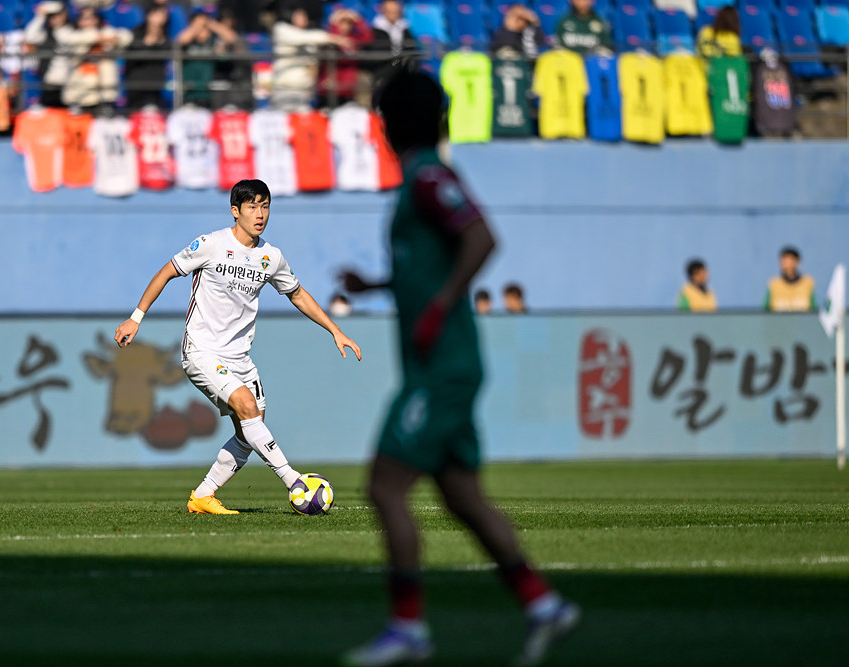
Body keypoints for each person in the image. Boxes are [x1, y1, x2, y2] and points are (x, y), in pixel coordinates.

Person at [339, 69, 579, 667]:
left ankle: (408, 629)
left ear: (392, 124)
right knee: (461, 496)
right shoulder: (418, 180)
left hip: (441, 367)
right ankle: (543, 604)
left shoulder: (428, 176)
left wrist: (441, 305)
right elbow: (435, 260)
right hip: (439, 362)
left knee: (385, 486)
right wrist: (377, 286)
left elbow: (480, 238)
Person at [113, 179, 362, 515]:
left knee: (250, 430)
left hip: (239, 356)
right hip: (202, 350)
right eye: (252, 207)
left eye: (265, 206)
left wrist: (335, 330)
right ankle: (294, 481)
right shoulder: (210, 244)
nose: (260, 214)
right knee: (246, 406)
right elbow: (166, 272)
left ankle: (203, 496)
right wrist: (136, 317)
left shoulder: (271, 257)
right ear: (235, 211)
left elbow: (298, 294)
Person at [272, 6, 353, 111]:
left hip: (304, 90)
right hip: (285, 89)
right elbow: (304, 37)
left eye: (304, 16)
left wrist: (335, 23)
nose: (303, 19)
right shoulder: (281, 29)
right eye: (298, 15)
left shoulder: (311, 36)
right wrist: (335, 39)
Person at [61, 6, 133, 111]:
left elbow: (126, 36)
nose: (89, 21)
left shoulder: (106, 32)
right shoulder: (72, 34)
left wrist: (114, 38)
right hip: (81, 92)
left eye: (92, 17)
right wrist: (97, 38)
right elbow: (70, 40)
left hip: (103, 91)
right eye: (84, 18)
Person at [177, 9, 240, 107]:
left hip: (209, 93)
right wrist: (196, 26)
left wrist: (211, 23)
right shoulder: (188, 41)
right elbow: (180, 40)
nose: (202, 30)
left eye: (204, 26)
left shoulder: (213, 41)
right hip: (189, 93)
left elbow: (233, 38)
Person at [24, 1, 74, 108]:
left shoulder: (73, 30)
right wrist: (40, 16)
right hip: (50, 82)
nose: (54, 18)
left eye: (58, 15)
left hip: (70, 83)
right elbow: (29, 36)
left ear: (65, 14)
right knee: (50, 111)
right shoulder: (46, 34)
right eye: (51, 16)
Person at [319, 8, 374, 107]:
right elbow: (332, 38)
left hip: (348, 87)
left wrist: (358, 20)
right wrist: (334, 23)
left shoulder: (354, 39)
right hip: (331, 86)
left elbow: (368, 38)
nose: (345, 26)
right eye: (341, 23)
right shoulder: (330, 38)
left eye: (348, 23)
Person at [124, 3, 171, 109]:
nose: (161, 18)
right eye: (157, 14)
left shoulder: (166, 34)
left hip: (156, 84)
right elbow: (142, 46)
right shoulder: (136, 32)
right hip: (136, 82)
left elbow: (167, 50)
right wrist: (154, 32)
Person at [765, 246, 816, 312]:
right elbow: (765, 311)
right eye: (783, 260)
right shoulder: (774, 283)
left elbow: (813, 310)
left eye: (790, 260)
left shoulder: (807, 282)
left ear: (797, 261)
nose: (786, 263)